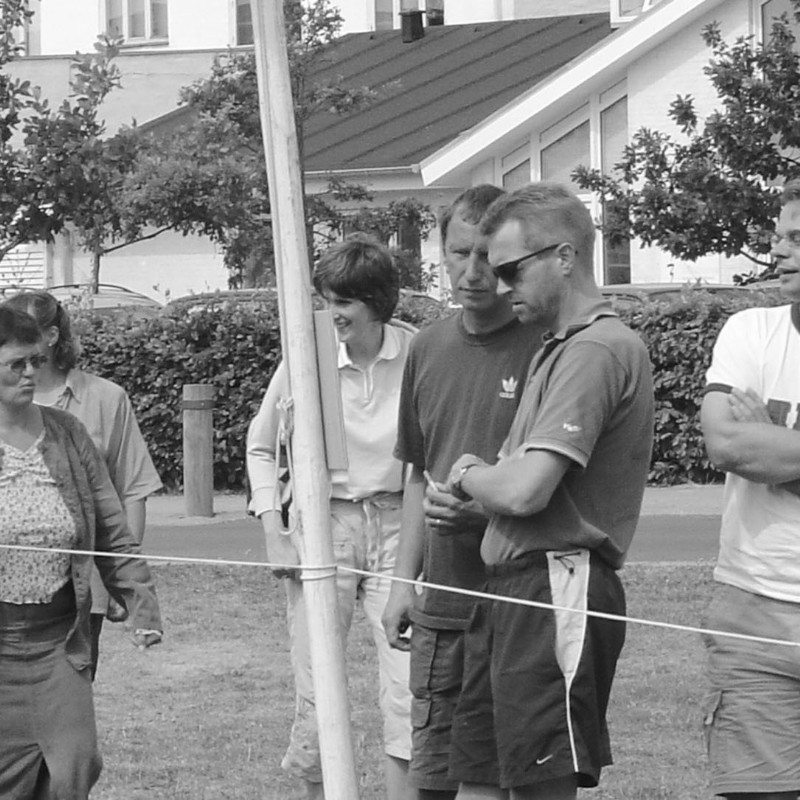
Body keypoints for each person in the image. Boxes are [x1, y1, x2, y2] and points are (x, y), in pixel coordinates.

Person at [443, 183, 654, 800]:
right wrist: (481, 494)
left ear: (563, 257)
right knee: (478, 782)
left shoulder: (596, 348)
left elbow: (528, 489)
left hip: (555, 586)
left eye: (511, 269)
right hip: (514, 587)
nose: (498, 284)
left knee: (540, 789)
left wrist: (465, 475)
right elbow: (512, 489)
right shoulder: (559, 347)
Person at [381, 185, 543, 799]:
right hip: (441, 608)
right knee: (432, 780)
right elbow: (417, 472)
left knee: (505, 782)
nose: (472, 273)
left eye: (487, 258)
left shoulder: (546, 347)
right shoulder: (427, 347)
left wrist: (485, 504)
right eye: (458, 254)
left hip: (516, 605)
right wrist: (402, 584)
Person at [247, 234, 416, 800]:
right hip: (324, 527)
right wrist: (275, 530)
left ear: (378, 302)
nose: (333, 315)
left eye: (345, 302)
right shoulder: (307, 355)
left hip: (398, 527)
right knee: (319, 692)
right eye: (327, 300)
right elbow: (262, 447)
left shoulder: (417, 354)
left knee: (409, 688)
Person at [0, 305, 162, 799]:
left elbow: (111, 525)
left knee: (75, 763)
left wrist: (141, 604)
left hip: (57, 643)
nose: (32, 372)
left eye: (37, 359)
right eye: (16, 364)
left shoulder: (67, 433)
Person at [700, 179, 800, 800]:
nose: (780, 251)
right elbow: (726, 446)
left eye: (798, 238)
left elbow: (753, 449)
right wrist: (752, 441)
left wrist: (773, 445)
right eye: (779, 236)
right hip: (753, 608)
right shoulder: (750, 330)